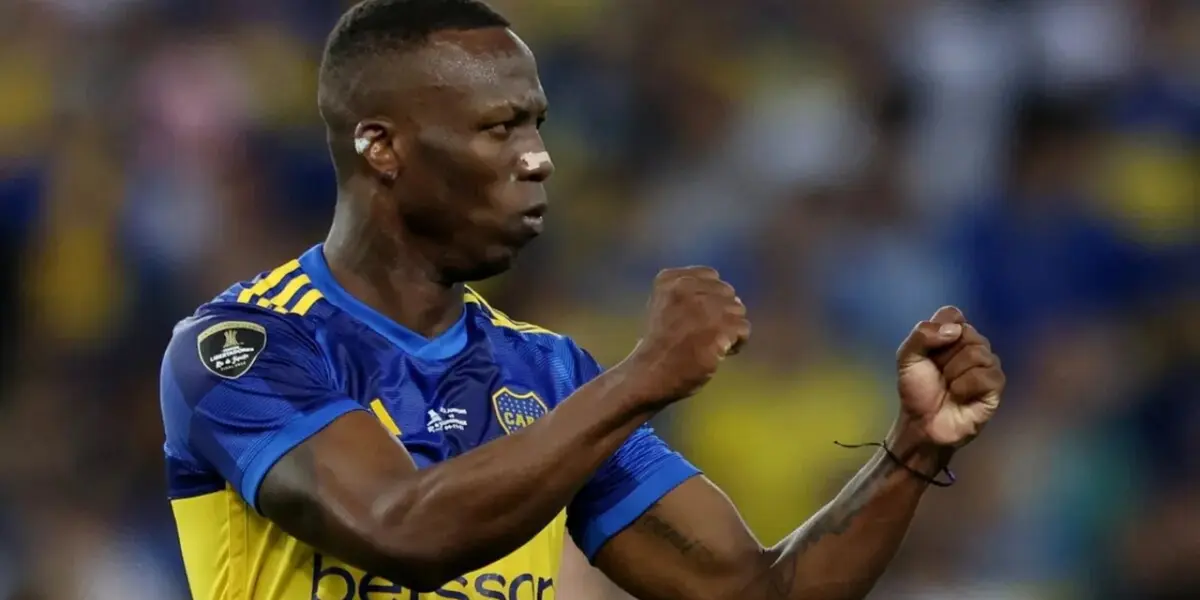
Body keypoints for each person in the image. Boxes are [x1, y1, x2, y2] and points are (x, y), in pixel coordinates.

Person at [158, 1, 1006, 599]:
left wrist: (911, 451)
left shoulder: (551, 373)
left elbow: (754, 594)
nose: (539, 159)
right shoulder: (244, 348)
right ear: (381, 145)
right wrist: (643, 377)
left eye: (537, 125)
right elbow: (403, 530)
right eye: (500, 128)